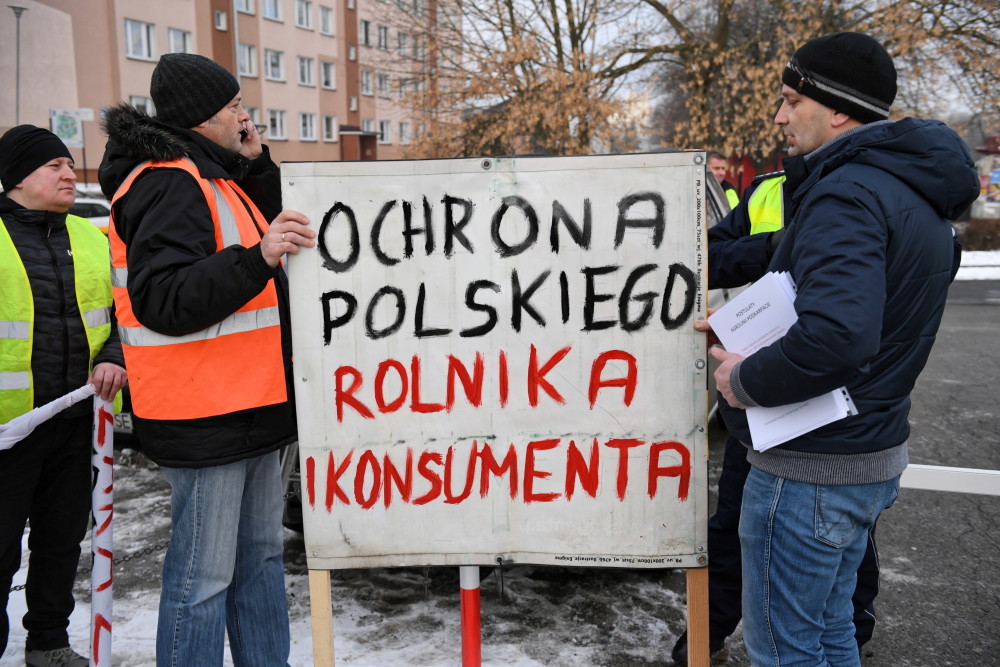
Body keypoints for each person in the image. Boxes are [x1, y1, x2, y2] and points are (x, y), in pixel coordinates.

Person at [708, 32, 979, 665]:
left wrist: (742, 380)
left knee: (785, 651)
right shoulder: (908, 190)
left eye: (789, 99)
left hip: (811, 469)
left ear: (834, 108)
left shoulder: (847, 192)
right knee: (830, 635)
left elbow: (839, 335)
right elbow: (875, 315)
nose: (779, 116)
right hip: (867, 452)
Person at [98, 53, 316, 666]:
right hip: (206, 416)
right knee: (204, 580)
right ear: (201, 119)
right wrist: (257, 260)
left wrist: (256, 163)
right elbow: (164, 297)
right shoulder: (168, 181)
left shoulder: (218, 176)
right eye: (233, 107)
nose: (245, 115)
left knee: (261, 564)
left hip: (252, 408)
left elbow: (271, 228)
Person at [0, 125, 127, 667]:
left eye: (70, 165)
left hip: (78, 423)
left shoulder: (91, 238)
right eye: (55, 166)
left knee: (60, 542)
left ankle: (48, 643)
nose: (70, 174)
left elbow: (124, 314)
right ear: (17, 178)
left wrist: (115, 356)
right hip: (7, 431)